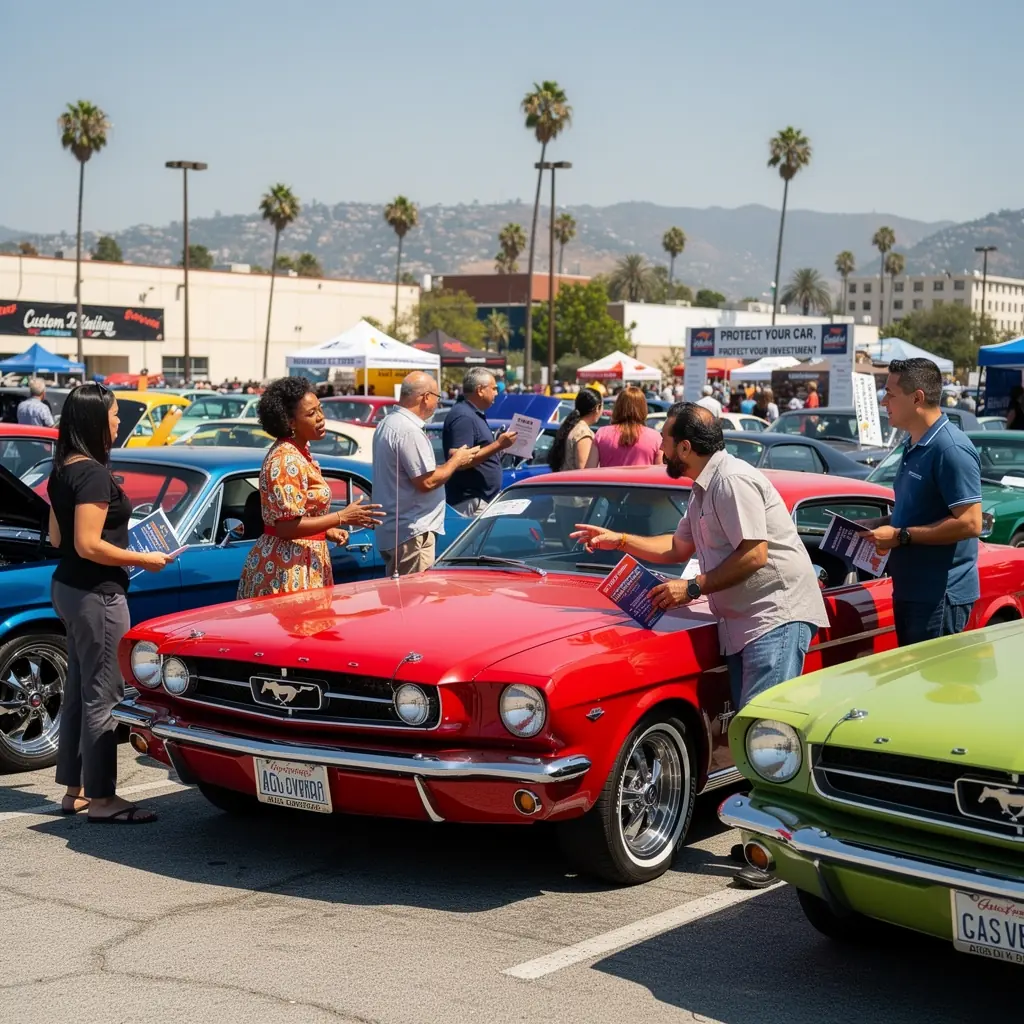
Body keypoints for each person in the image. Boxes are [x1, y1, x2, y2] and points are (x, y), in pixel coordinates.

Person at [571, 402, 828, 887]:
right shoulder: (704, 485)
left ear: (686, 446)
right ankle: (766, 840)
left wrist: (690, 588)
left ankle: (772, 852)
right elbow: (678, 549)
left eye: (666, 439)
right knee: (754, 733)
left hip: (776, 615)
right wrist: (617, 538)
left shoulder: (730, 481)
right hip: (747, 622)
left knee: (765, 736)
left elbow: (755, 554)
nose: (660, 446)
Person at [47, 384, 176, 824]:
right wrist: (144, 557)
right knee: (105, 692)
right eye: (115, 414)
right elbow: (86, 543)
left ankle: (75, 790)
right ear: (94, 420)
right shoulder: (95, 475)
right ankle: (102, 799)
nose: (120, 422)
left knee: (81, 692)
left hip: (68, 587)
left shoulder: (63, 468)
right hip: (97, 593)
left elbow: (56, 538)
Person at [857, 358, 983, 646]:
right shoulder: (913, 443)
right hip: (913, 591)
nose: (883, 401)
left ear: (917, 398)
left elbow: (971, 522)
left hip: (939, 596)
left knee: (933, 689)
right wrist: (881, 524)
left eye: (890, 394)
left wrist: (900, 536)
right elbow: (921, 511)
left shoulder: (950, 448)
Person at [237, 377, 384, 599]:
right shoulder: (286, 459)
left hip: (302, 559)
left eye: (320, 409)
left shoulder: (299, 452)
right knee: (298, 631)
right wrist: (341, 517)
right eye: (311, 413)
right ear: (290, 422)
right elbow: (286, 528)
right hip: (287, 566)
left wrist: (325, 530)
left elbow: (299, 515)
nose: (321, 418)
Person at [374, 371, 479, 575]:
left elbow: (418, 474)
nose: (438, 404)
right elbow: (427, 482)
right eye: (437, 397)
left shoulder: (388, 423)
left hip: (399, 530)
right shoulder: (409, 430)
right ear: (426, 397)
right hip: (412, 532)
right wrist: (456, 461)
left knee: (402, 599)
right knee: (414, 600)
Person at [442, 367, 518, 516]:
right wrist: (498, 445)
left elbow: (479, 452)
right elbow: (460, 462)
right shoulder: (464, 417)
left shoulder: (473, 414)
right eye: (494, 388)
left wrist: (501, 449)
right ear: (480, 390)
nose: (497, 393)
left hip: (480, 499)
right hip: (471, 502)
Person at [593, 386, 664, 467]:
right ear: (643, 408)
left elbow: (589, 471)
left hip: (608, 480)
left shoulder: (601, 434)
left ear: (618, 407)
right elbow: (660, 473)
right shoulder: (656, 438)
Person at [548, 387, 602, 472]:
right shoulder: (584, 433)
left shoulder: (572, 426)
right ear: (597, 408)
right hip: (575, 484)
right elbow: (584, 471)